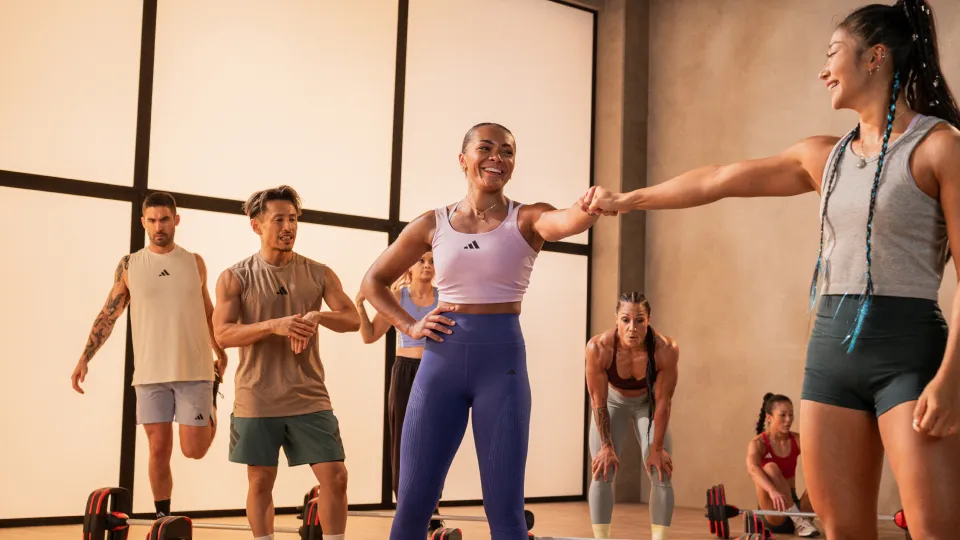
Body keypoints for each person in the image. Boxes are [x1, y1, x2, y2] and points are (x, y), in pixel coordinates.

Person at [584, 1, 960, 538]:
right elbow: (719, 178)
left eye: (833, 54)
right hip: (831, 352)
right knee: (840, 530)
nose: (824, 69)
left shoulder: (940, 147)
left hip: (911, 352)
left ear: (875, 57)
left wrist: (952, 379)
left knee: (935, 529)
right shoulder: (822, 156)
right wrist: (627, 198)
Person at [360, 122, 612, 540]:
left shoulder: (526, 218)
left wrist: (591, 205)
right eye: (487, 147)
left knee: (506, 512)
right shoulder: (432, 223)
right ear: (463, 159)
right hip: (439, 365)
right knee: (412, 507)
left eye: (508, 151)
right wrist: (410, 325)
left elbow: (568, 220)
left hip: (502, 368)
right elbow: (373, 281)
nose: (498, 156)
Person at [212, 185, 360, 540]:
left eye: (293, 219)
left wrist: (317, 317)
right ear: (256, 225)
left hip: (308, 395)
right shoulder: (236, 277)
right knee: (261, 480)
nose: (288, 227)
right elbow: (223, 335)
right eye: (278, 219)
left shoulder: (318, 273)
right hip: (257, 397)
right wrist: (273, 325)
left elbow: (352, 319)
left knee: (335, 476)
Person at [70, 191, 226, 519]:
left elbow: (207, 310)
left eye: (165, 219)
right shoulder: (130, 266)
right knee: (158, 448)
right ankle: (162, 515)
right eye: (152, 220)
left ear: (176, 220)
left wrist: (219, 351)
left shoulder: (193, 262)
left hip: (195, 369)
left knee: (193, 450)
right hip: (150, 374)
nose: (159, 226)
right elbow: (108, 314)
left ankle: (211, 397)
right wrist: (86, 356)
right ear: (143, 222)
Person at [354, 251, 445, 532]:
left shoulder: (445, 297)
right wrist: (360, 305)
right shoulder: (397, 297)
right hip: (405, 371)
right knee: (403, 442)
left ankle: (433, 507)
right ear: (411, 266)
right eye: (421, 261)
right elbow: (370, 336)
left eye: (432, 261)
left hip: (438, 372)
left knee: (436, 443)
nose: (427, 265)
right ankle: (405, 506)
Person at [586, 292, 679, 540]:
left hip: (647, 404)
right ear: (616, 319)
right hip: (612, 403)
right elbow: (598, 402)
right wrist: (606, 446)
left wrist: (657, 449)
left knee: (661, 470)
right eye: (625, 320)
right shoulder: (599, 348)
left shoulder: (665, 349)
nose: (632, 328)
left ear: (649, 320)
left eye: (639, 321)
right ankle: (601, 538)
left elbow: (663, 403)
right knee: (602, 469)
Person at [746, 393, 819, 537]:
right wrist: (772, 491)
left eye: (791, 415)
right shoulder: (758, 443)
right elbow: (752, 469)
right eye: (783, 415)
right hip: (774, 511)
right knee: (770, 467)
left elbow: (819, 459)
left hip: (796, 505)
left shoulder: (797, 439)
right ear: (769, 417)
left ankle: (805, 520)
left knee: (821, 475)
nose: (788, 420)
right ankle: (798, 520)